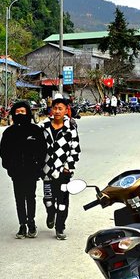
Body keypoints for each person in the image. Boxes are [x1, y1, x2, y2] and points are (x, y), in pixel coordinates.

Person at [0, 100, 46, 238]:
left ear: (28, 113)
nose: (20, 114)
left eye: (23, 112)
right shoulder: (8, 132)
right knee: (19, 198)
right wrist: (8, 166)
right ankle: (22, 225)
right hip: (16, 171)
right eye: (17, 112)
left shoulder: (35, 131)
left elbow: (42, 150)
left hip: (32, 171)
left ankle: (31, 223)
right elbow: (4, 152)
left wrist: (38, 166)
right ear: (13, 114)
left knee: (30, 197)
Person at [42, 94, 81, 240]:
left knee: (63, 202)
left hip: (64, 172)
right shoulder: (44, 126)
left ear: (66, 110)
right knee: (48, 199)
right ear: (51, 110)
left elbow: (75, 149)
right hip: (46, 171)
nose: (57, 111)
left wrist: (68, 166)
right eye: (55, 108)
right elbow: (38, 148)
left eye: (60, 108)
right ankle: (50, 214)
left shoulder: (70, 128)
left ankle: (60, 228)